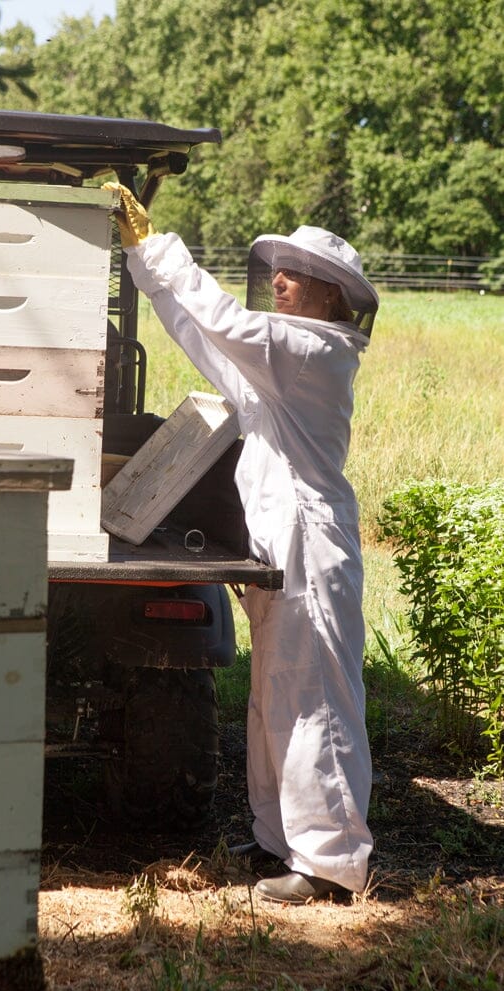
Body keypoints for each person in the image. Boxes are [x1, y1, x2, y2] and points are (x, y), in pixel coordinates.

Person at [104, 181, 378, 904]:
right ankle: (275, 842)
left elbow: (219, 315)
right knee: (273, 697)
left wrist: (155, 244)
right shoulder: (280, 364)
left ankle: (328, 866)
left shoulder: (308, 348)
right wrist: (141, 262)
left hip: (310, 549)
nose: (279, 281)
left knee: (312, 700)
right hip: (283, 551)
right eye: (278, 270)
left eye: (295, 274)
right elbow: (199, 333)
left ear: (329, 295)